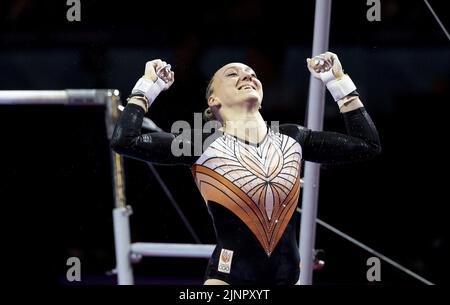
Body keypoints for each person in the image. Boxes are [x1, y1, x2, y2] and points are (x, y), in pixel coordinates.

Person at [110, 52, 381, 285]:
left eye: (252, 74)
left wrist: (338, 82)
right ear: (213, 101)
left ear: (261, 97)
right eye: (232, 74)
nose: (247, 76)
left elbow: (367, 144)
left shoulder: (292, 138)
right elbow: (125, 140)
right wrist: (148, 87)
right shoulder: (200, 143)